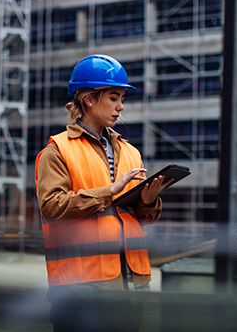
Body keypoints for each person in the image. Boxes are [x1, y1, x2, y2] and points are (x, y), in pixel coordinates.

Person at [35, 54, 173, 332]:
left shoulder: (131, 152)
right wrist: (108, 192)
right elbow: (52, 207)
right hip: (80, 289)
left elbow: (137, 218)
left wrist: (148, 202)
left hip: (130, 286)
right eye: (113, 97)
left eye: (122, 98)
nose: (121, 107)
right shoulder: (57, 151)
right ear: (88, 99)